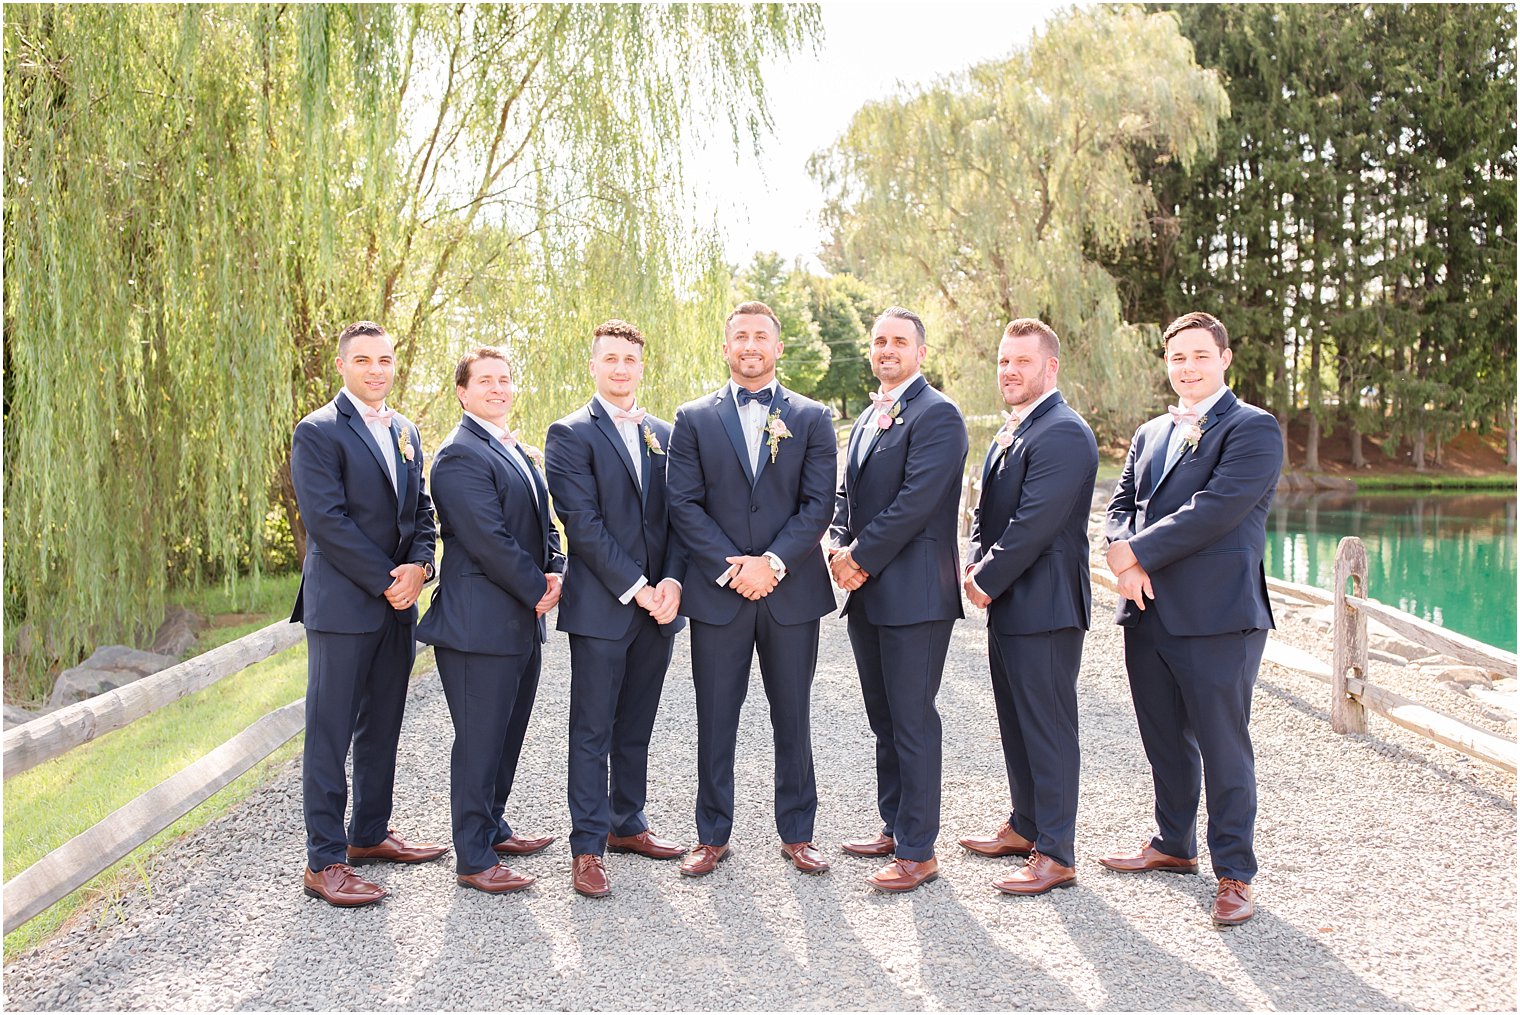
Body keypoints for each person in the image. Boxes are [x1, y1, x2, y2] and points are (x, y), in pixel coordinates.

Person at [1099, 311, 1283, 927]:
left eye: (1200, 356)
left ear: (1224, 359)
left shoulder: (1254, 429)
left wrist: (1136, 553)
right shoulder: (1151, 432)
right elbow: (1122, 504)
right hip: (1146, 609)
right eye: (1178, 358)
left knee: (1223, 743)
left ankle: (1234, 872)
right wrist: (1125, 562)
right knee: (1162, 738)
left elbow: (1216, 509)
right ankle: (1173, 843)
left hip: (1218, 617)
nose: (1188, 368)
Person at [665, 301, 838, 878]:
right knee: (715, 717)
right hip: (718, 596)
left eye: (761, 336)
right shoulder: (692, 419)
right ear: (725, 347)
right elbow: (683, 504)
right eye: (740, 336)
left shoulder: (811, 418)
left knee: (793, 715)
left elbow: (819, 505)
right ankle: (711, 833)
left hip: (791, 595)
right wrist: (732, 567)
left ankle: (799, 833)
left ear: (778, 347)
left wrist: (772, 563)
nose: (750, 346)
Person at [289, 320, 446, 908]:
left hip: (397, 606)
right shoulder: (318, 431)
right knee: (330, 732)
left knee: (382, 723)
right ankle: (324, 861)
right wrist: (388, 579)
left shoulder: (406, 430)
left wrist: (421, 568)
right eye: (363, 360)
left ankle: (370, 834)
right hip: (343, 608)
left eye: (384, 360)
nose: (376, 369)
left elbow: (422, 512)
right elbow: (328, 523)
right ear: (342, 366)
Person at [543, 319, 689, 898]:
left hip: (661, 608)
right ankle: (587, 845)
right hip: (605, 606)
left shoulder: (665, 432)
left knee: (638, 724)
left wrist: (674, 581)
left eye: (630, 358)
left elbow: (683, 513)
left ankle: (628, 823)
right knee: (592, 728)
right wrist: (639, 586)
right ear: (593, 365)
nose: (621, 368)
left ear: (641, 365)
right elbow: (581, 522)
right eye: (610, 358)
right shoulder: (569, 433)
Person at [828, 307, 967, 893]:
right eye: (880, 341)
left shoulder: (938, 416)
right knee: (884, 719)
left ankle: (918, 849)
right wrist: (835, 543)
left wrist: (858, 557)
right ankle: (894, 824)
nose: (888, 350)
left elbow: (916, 501)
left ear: (920, 353)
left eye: (899, 342)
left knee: (912, 719)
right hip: (868, 596)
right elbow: (847, 494)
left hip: (915, 595)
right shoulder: (868, 416)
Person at [416, 347, 565, 894]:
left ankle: (494, 825)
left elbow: (544, 524)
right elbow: (488, 540)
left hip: (521, 621)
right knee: (479, 741)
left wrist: (556, 569)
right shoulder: (457, 455)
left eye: (504, 379)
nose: (498, 388)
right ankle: (473, 857)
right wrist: (537, 589)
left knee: (508, 734)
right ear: (463, 392)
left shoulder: (517, 449)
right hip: (478, 627)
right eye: (485, 381)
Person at [961, 318, 1098, 896]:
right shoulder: (1011, 430)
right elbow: (986, 513)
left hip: (1045, 606)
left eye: (1022, 361)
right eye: (1003, 361)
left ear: (1051, 367)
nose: (1009, 371)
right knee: (1015, 722)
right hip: (1011, 604)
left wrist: (984, 579)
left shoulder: (1063, 432)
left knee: (1048, 727)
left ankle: (1057, 851)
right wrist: (971, 557)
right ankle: (1024, 825)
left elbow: (1034, 524)